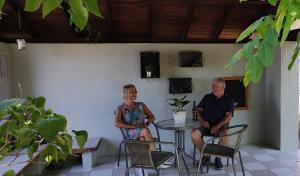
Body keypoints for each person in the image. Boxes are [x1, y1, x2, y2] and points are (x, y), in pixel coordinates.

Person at [191, 77, 234, 170]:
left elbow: (229, 116)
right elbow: (198, 110)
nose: (212, 87)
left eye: (215, 86)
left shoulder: (229, 99)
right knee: (194, 133)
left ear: (222, 87)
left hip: (221, 127)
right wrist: (203, 121)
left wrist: (217, 126)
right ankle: (206, 155)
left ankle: (218, 158)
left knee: (225, 135)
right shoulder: (207, 97)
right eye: (212, 85)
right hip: (206, 126)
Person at [114, 84, 156, 150]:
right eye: (131, 92)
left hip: (141, 131)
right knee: (145, 131)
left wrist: (146, 124)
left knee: (143, 138)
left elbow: (152, 117)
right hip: (129, 133)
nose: (134, 94)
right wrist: (135, 126)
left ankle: (145, 159)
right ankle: (154, 155)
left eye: (135, 92)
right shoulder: (120, 108)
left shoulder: (141, 105)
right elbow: (116, 123)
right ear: (125, 94)